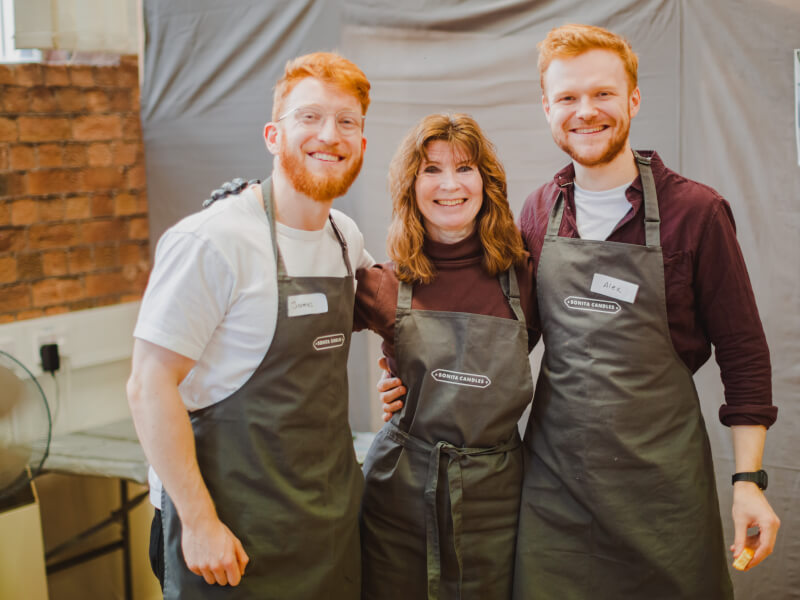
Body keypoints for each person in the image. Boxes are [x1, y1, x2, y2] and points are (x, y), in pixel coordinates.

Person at [381, 24, 780, 599]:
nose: (585, 112)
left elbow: (744, 356)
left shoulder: (695, 212)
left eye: (602, 94)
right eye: (567, 97)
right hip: (555, 489)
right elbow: (508, 333)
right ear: (548, 108)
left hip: (662, 487)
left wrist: (748, 481)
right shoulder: (540, 210)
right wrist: (412, 378)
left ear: (633, 100)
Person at [126, 52, 374, 599]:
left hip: (324, 526)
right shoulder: (213, 241)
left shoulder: (344, 238)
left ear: (361, 142)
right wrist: (198, 522)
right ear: (272, 135)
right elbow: (148, 384)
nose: (328, 135)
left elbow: (388, 310)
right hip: (229, 538)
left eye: (347, 121)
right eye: (309, 117)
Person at [355, 113, 539, 599]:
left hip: (500, 500)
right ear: (411, 187)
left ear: (487, 182)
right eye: (431, 170)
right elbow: (295, 327)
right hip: (400, 498)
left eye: (464, 168)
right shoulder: (383, 284)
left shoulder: (526, 277)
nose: (450, 185)